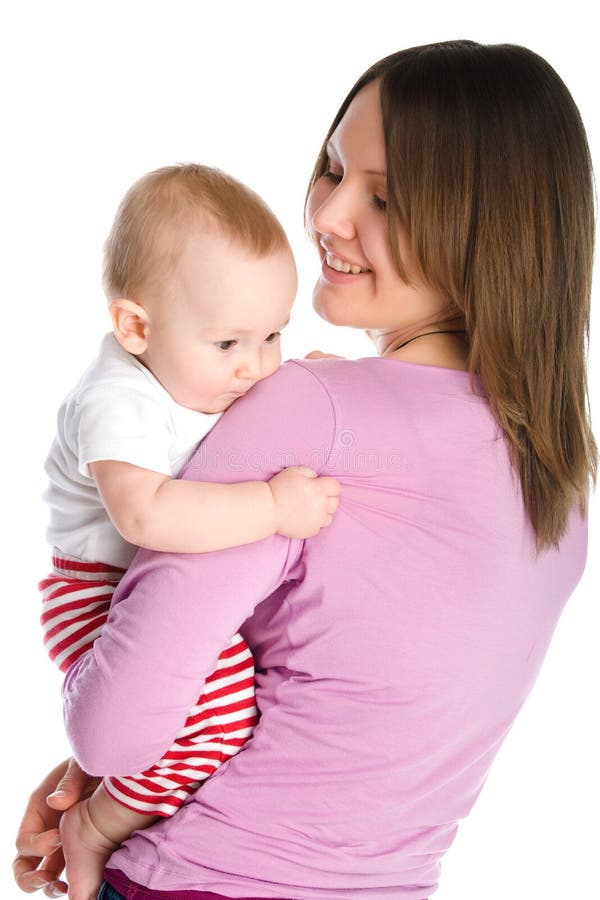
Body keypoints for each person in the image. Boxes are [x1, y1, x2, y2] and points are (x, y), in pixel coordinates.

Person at [14, 39, 596, 900]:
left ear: (486, 230)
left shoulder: (306, 409)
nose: (326, 215)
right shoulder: (558, 475)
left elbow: (115, 728)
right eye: (332, 169)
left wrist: (95, 802)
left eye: (385, 197)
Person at [36, 164, 341, 900]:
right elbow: (148, 514)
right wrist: (271, 508)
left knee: (218, 700)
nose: (256, 366)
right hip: (95, 594)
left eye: (273, 335)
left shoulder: (188, 364)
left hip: (141, 586)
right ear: (136, 327)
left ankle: (121, 798)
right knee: (225, 699)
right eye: (231, 344)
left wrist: (312, 381)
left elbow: (244, 405)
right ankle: (103, 823)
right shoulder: (115, 400)